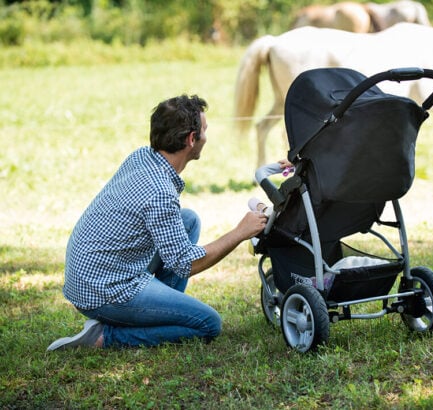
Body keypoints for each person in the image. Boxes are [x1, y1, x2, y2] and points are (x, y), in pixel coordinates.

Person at [47, 95, 268, 350]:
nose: (207, 136)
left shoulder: (143, 157)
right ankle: (105, 337)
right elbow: (187, 263)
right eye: (204, 130)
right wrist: (240, 232)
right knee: (207, 324)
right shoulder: (160, 191)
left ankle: (155, 311)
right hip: (103, 291)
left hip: (94, 272)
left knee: (188, 221)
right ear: (191, 140)